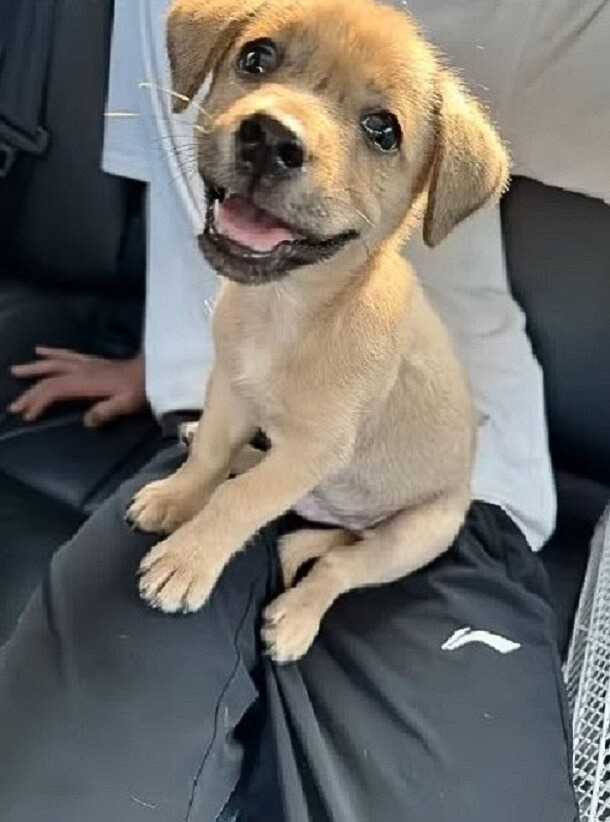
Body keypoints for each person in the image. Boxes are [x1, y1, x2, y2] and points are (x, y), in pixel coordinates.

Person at [6, 0, 610, 818]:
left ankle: (332, 577)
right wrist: (160, 365)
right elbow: (181, 174)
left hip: (442, 500)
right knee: (54, 783)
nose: (277, 125)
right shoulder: (206, 16)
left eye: (381, 130)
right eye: (258, 63)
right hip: (233, 441)